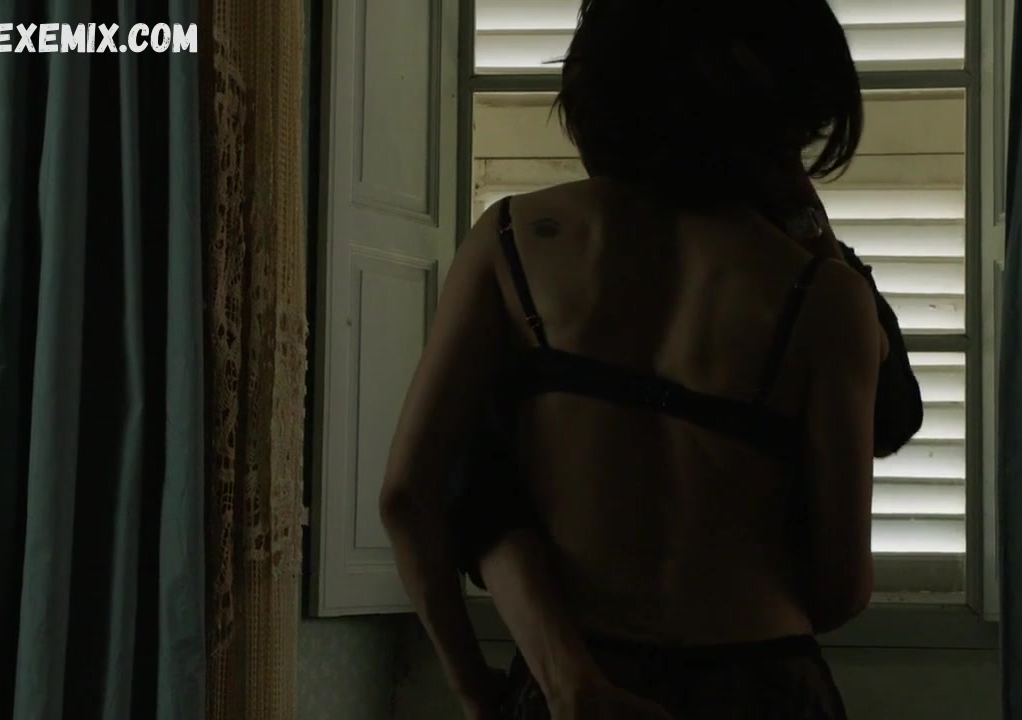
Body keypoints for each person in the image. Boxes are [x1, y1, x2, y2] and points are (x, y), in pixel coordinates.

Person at [379, 1, 891, 717]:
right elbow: (841, 591)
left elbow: (408, 496)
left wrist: (476, 692)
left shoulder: (512, 240)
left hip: (578, 683)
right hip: (761, 683)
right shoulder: (826, 296)